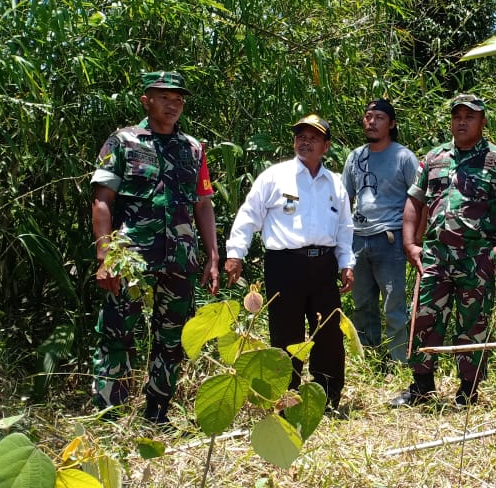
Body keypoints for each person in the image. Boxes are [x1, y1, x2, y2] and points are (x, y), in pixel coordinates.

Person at [90, 71, 220, 427]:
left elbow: (203, 203)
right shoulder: (122, 142)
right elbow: (102, 201)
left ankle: (156, 413)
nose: (173, 104)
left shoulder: (193, 148)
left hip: (180, 257)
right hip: (130, 258)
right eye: (164, 97)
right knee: (117, 330)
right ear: (146, 100)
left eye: (178, 98)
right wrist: (105, 256)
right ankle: (108, 415)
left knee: (173, 336)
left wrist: (212, 255)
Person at [390, 94, 496, 408]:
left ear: (483, 121)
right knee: (424, 319)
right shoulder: (434, 157)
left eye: (469, 116)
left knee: (473, 324)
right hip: (435, 256)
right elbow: (415, 201)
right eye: (457, 116)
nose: (461, 122)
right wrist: (410, 244)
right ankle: (421, 388)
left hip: (477, 257)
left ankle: (468, 392)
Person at [224, 114, 355, 411]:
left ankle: (327, 396)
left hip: (323, 266)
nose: (305, 141)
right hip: (285, 265)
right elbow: (248, 216)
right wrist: (235, 253)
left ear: (326, 145)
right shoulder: (275, 177)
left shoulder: (335, 184)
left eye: (314, 137)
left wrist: (347, 264)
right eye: (300, 136)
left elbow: (344, 230)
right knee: (285, 332)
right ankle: (287, 395)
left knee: (328, 333)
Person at [341, 99, 419, 366]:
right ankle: (370, 359)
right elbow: (344, 200)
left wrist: (414, 241)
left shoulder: (404, 157)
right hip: (358, 237)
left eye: (379, 117)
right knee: (362, 303)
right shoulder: (355, 156)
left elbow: (420, 201)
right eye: (368, 116)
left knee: (393, 305)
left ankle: (400, 361)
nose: (372, 122)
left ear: (392, 124)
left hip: (391, 237)